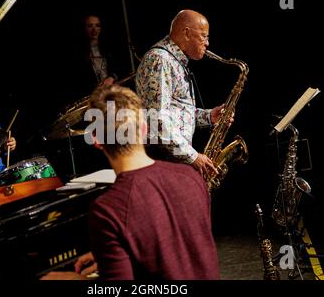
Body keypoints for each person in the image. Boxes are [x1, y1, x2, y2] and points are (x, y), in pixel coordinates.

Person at [41, 84, 219, 280]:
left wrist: (74, 279)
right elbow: (175, 248)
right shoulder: (191, 177)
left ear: (96, 140)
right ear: (144, 129)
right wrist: (115, 255)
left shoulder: (108, 209)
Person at [135, 9, 233, 178]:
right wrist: (193, 156)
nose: (207, 43)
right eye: (204, 36)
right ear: (186, 33)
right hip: (162, 164)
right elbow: (157, 119)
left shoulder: (174, 61)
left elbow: (175, 112)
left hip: (171, 163)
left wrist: (209, 116)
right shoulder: (160, 59)